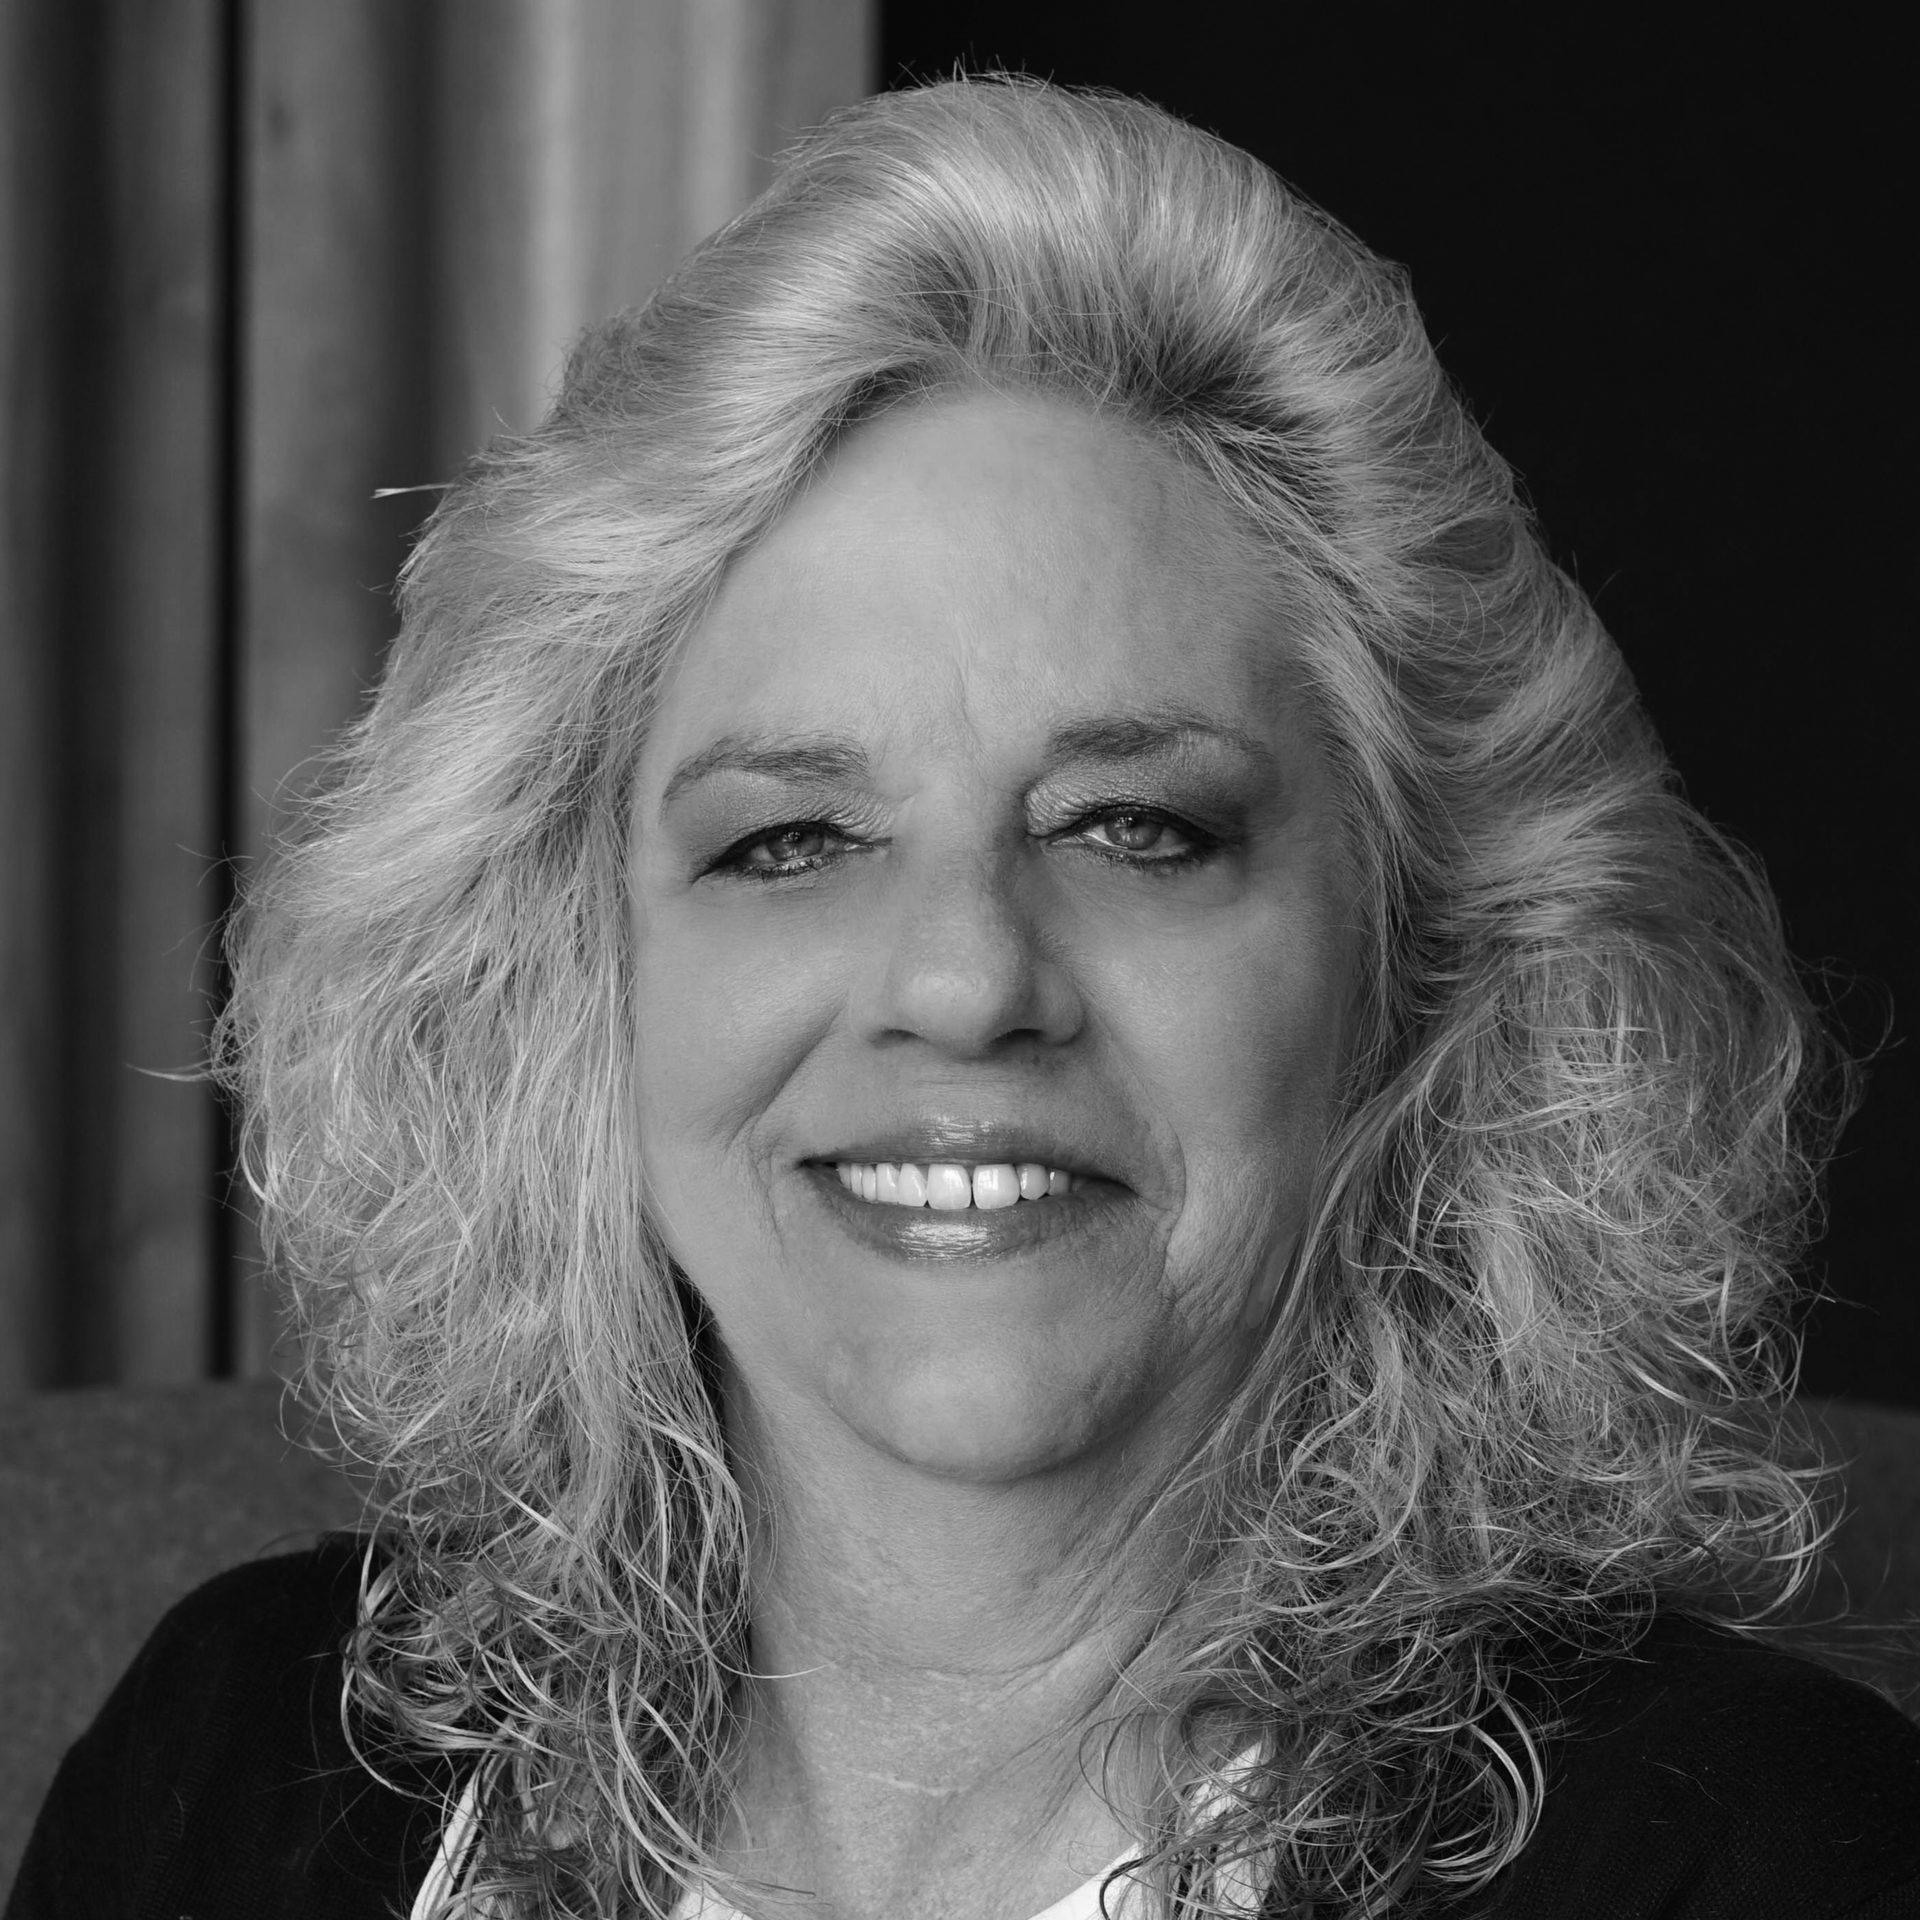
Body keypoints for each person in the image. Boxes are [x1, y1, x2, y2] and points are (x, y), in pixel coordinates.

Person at [8, 75, 1917, 1920]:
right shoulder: (232, 1763)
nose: (964, 976)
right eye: (793, 841)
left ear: (1422, 970)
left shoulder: (1764, 1865)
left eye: (1132, 826)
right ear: (567, 974)